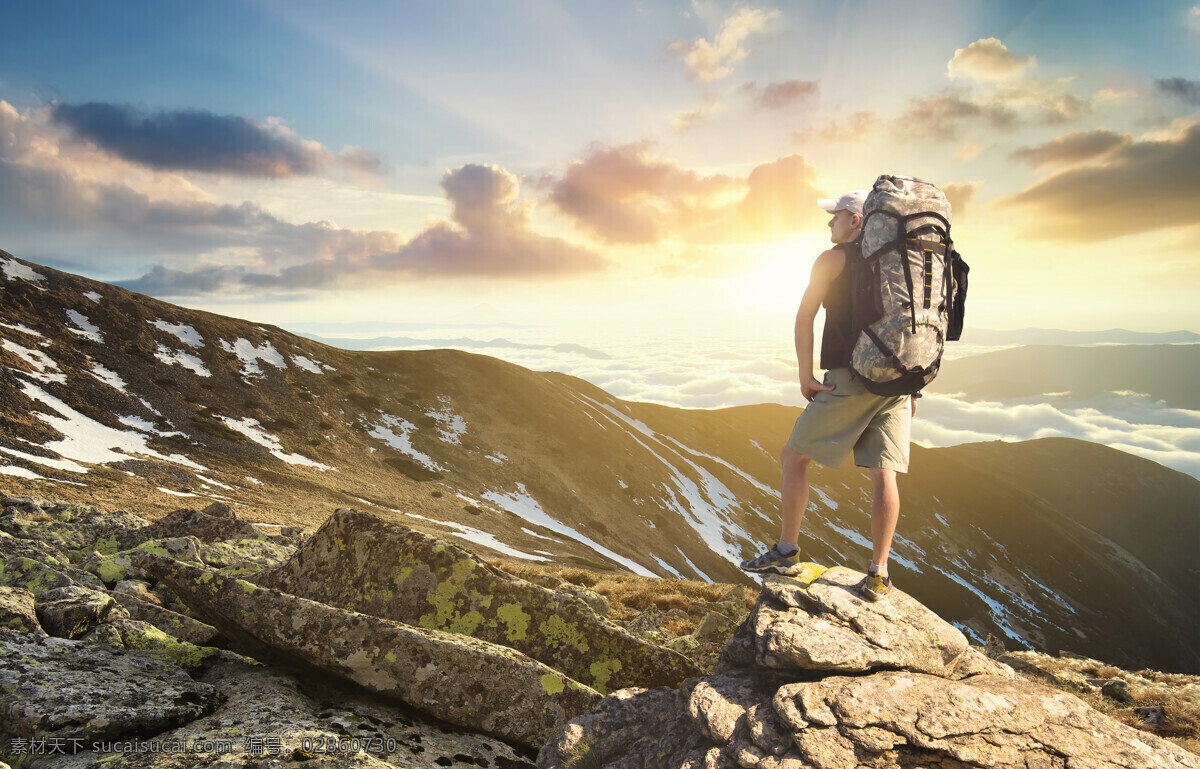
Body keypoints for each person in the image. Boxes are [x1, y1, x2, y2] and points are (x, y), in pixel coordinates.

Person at [739, 189, 917, 601]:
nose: (830, 223)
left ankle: (786, 552)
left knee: (793, 456)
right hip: (899, 381)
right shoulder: (898, 261)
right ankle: (878, 574)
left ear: (857, 221)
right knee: (882, 473)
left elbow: (805, 315)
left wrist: (805, 374)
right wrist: (913, 388)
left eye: (836, 215)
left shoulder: (831, 259)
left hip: (851, 377)